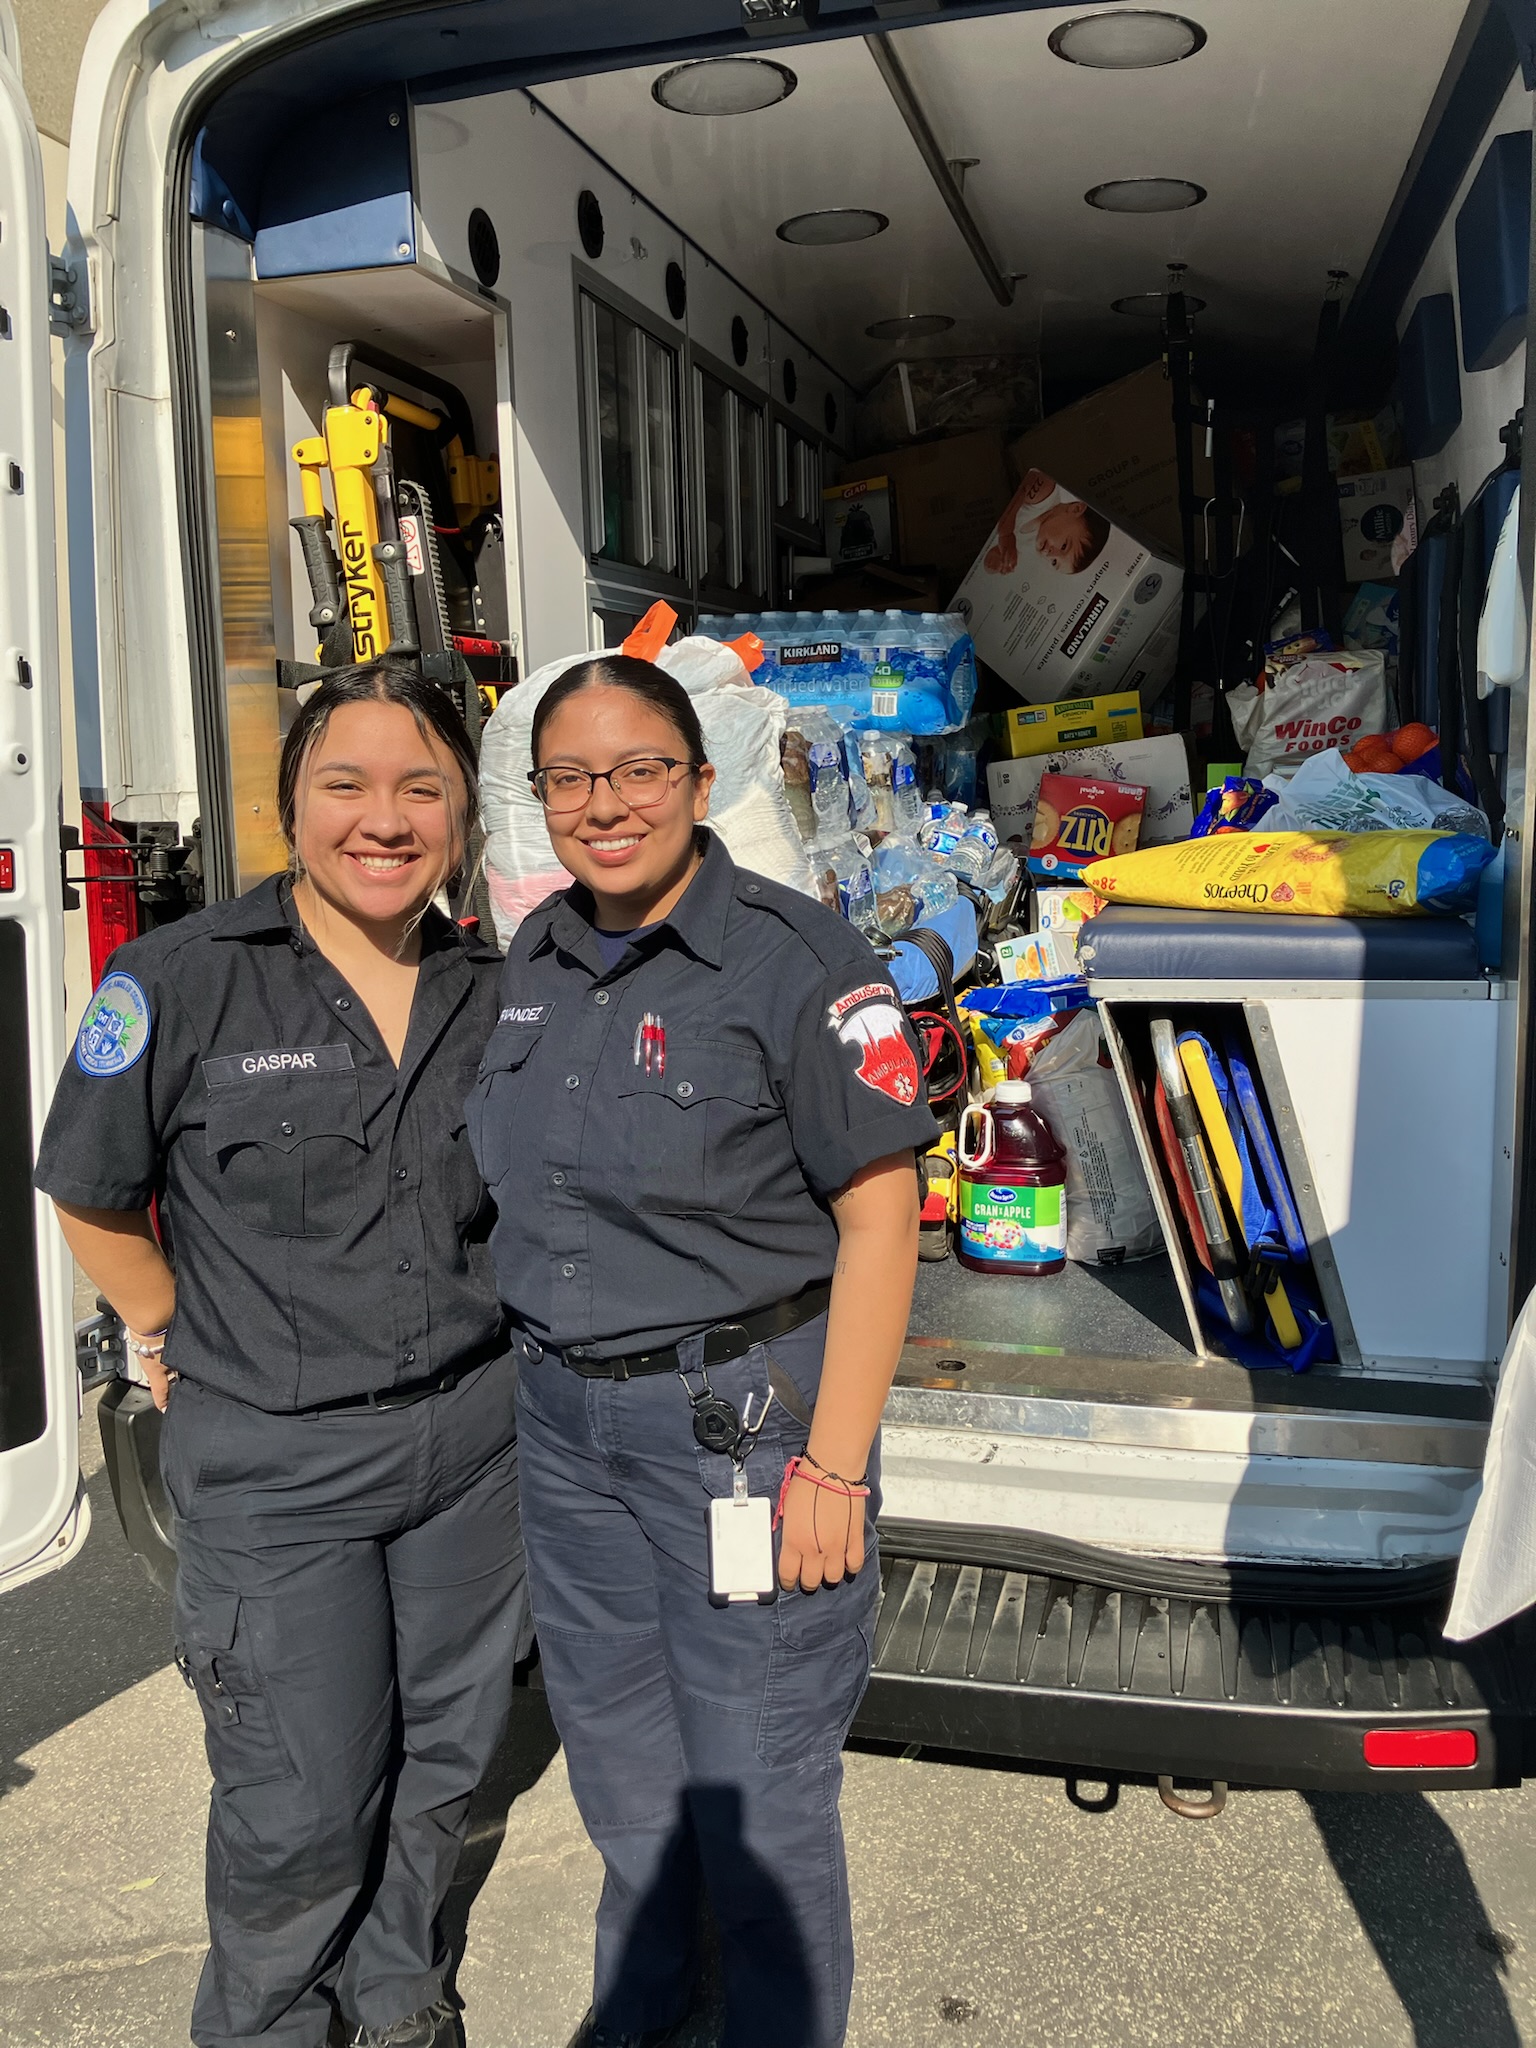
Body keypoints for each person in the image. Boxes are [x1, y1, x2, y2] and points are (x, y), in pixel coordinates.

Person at [34, 662, 529, 2048]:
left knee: (439, 1769)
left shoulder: (494, 990)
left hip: (471, 1449)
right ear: (288, 807)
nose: (385, 819)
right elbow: (88, 1189)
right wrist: (165, 1327)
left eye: (421, 788)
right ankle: (268, 2028)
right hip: (279, 1465)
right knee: (298, 1798)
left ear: (463, 816)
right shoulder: (179, 981)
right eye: (346, 786)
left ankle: (397, 2004)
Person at [466, 654, 936, 2048]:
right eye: (571, 777)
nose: (605, 803)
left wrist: (836, 1468)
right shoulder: (535, 961)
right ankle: (646, 2015)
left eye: (639, 770)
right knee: (624, 1778)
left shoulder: (799, 961)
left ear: (698, 779)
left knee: (759, 1790)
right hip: (567, 1434)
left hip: (739, 1426)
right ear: (540, 797)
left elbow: (882, 1218)